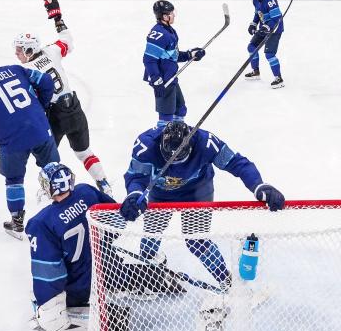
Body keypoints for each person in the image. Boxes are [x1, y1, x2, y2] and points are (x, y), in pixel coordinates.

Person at [120, 121, 285, 291]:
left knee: (196, 240)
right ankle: (147, 272)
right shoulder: (145, 145)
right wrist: (135, 194)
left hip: (197, 191)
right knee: (151, 232)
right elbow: (136, 177)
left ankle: (226, 280)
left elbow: (237, 163)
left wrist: (258, 185)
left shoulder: (206, 143)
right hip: (160, 193)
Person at [13, 0, 112, 196]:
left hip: (54, 116)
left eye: (20, 50)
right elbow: (68, 40)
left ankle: (54, 190)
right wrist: (57, 17)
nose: (17, 54)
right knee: (84, 152)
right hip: (74, 108)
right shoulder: (52, 51)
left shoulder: (28, 72)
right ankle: (104, 184)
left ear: (30, 50)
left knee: (48, 159)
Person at [0, 46, 60, 239]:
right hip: (39, 129)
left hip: (12, 141)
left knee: (14, 179)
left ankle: (17, 220)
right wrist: (39, 109)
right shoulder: (16, 69)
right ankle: (65, 206)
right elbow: (46, 82)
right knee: (52, 168)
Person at [26, 162, 114, 331]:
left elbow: (49, 273)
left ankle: (108, 321)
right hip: (107, 267)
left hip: (80, 287)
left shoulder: (42, 223)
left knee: (47, 314)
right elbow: (113, 218)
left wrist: (48, 306)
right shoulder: (86, 192)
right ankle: (156, 274)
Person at [143, 1, 205, 128]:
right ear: (165, 17)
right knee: (166, 115)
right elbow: (148, 59)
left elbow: (172, 56)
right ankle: (165, 141)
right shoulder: (160, 34)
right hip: (163, 80)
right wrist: (156, 79)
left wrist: (190, 55)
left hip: (171, 78)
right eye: (171, 13)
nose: (174, 15)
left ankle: (177, 137)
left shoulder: (169, 31)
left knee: (180, 109)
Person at [245, 0, 285, 88]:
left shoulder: (270, 1)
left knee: (269, 54)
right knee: (251, 47)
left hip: (275, 31)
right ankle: (256, 72)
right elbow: (258, 15)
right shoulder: (255, 0)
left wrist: (267, 27)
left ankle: (279, 79)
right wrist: (253, 24)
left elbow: (276, 19)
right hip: (264, 28)